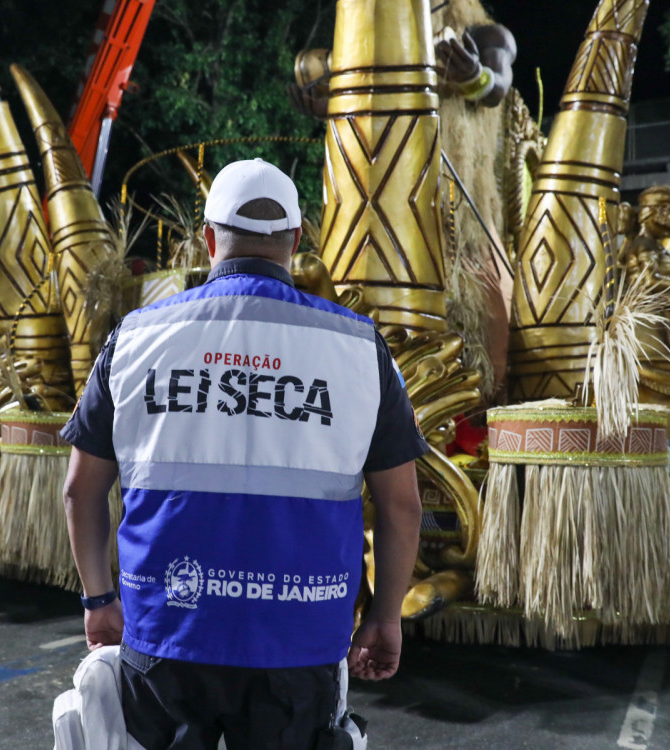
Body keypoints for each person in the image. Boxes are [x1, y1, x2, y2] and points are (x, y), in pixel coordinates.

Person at [60, 158, 427, 749]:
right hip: (300, 636)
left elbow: (81, 490)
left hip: (168, 628)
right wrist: (385, 617)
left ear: (208, 239)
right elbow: (402, 506)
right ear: (297, 240)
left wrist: (100, 600)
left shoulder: (134, 337)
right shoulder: (359, 348)